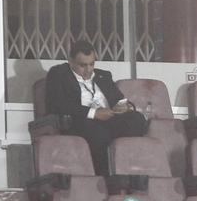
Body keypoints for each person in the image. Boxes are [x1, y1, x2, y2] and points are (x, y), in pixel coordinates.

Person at [43, 40, 149, 176]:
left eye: (92, 64)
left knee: (137, 119)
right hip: (81, 120)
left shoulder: (103, 76)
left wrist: (124, 107)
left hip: (109, 118)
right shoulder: (59, 73)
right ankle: (104, 176)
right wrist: (94, 113)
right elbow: (57, 104)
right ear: (70, 61)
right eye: (83, 65)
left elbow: (120, 99)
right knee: (97, 133)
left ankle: (128, 170)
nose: (88, 69)